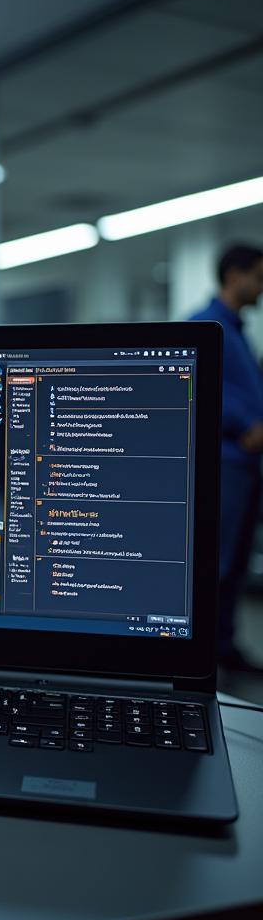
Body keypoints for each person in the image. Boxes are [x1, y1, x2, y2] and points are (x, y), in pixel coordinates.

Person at [189, 243, 263, 673]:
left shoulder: (237, 332)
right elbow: (201, 389)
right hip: (226, 466)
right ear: (235, 275)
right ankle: (203, 654)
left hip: (246, 468)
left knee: (233, 564)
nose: (261, 287)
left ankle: (224, 647)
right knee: (215, 565)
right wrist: (244, 426)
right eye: (258, 276)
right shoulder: (206, 325)